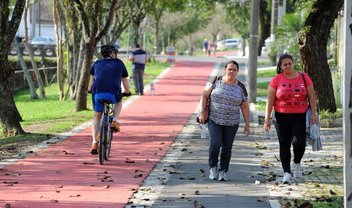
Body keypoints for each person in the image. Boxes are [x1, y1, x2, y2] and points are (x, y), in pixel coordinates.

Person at [263, 53, 318, 184]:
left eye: (289, 63)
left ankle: (296, 163)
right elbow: (269, 101)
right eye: (285, 64)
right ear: (281, 66)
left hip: (299, 116)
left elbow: (311, 97)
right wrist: (267, 119)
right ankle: (287, 172)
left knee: (299, 142)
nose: (288, 66)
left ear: (293, 64)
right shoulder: (276, 80)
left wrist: (314, 114)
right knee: (284, 144)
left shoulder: (304, 77)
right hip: (281, 117)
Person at [198, 60, 250, 181]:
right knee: (215, 144)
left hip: (232, 123)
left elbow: (245, 106)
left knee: (227, 147)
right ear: (225, 69)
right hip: (214, 119)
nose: (231, 71)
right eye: (229, 69)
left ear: (237, 71)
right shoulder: (215, 81)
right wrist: (201, 112)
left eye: (234, 69)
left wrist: (247, 124)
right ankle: (213, 167)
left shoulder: (241, 87)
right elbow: (205, 95)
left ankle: (223, 171)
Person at [88, 44, 131, 155]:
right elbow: (124, 80)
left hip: (98, 93)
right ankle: (115, 120)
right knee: (119, 100)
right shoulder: (119, 63)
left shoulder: (96, 63)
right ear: (112, 53)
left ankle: (94, 142)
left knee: (97, 115)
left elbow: (92, 79)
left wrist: (89, 90)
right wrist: (127, 92)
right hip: (113, 93)